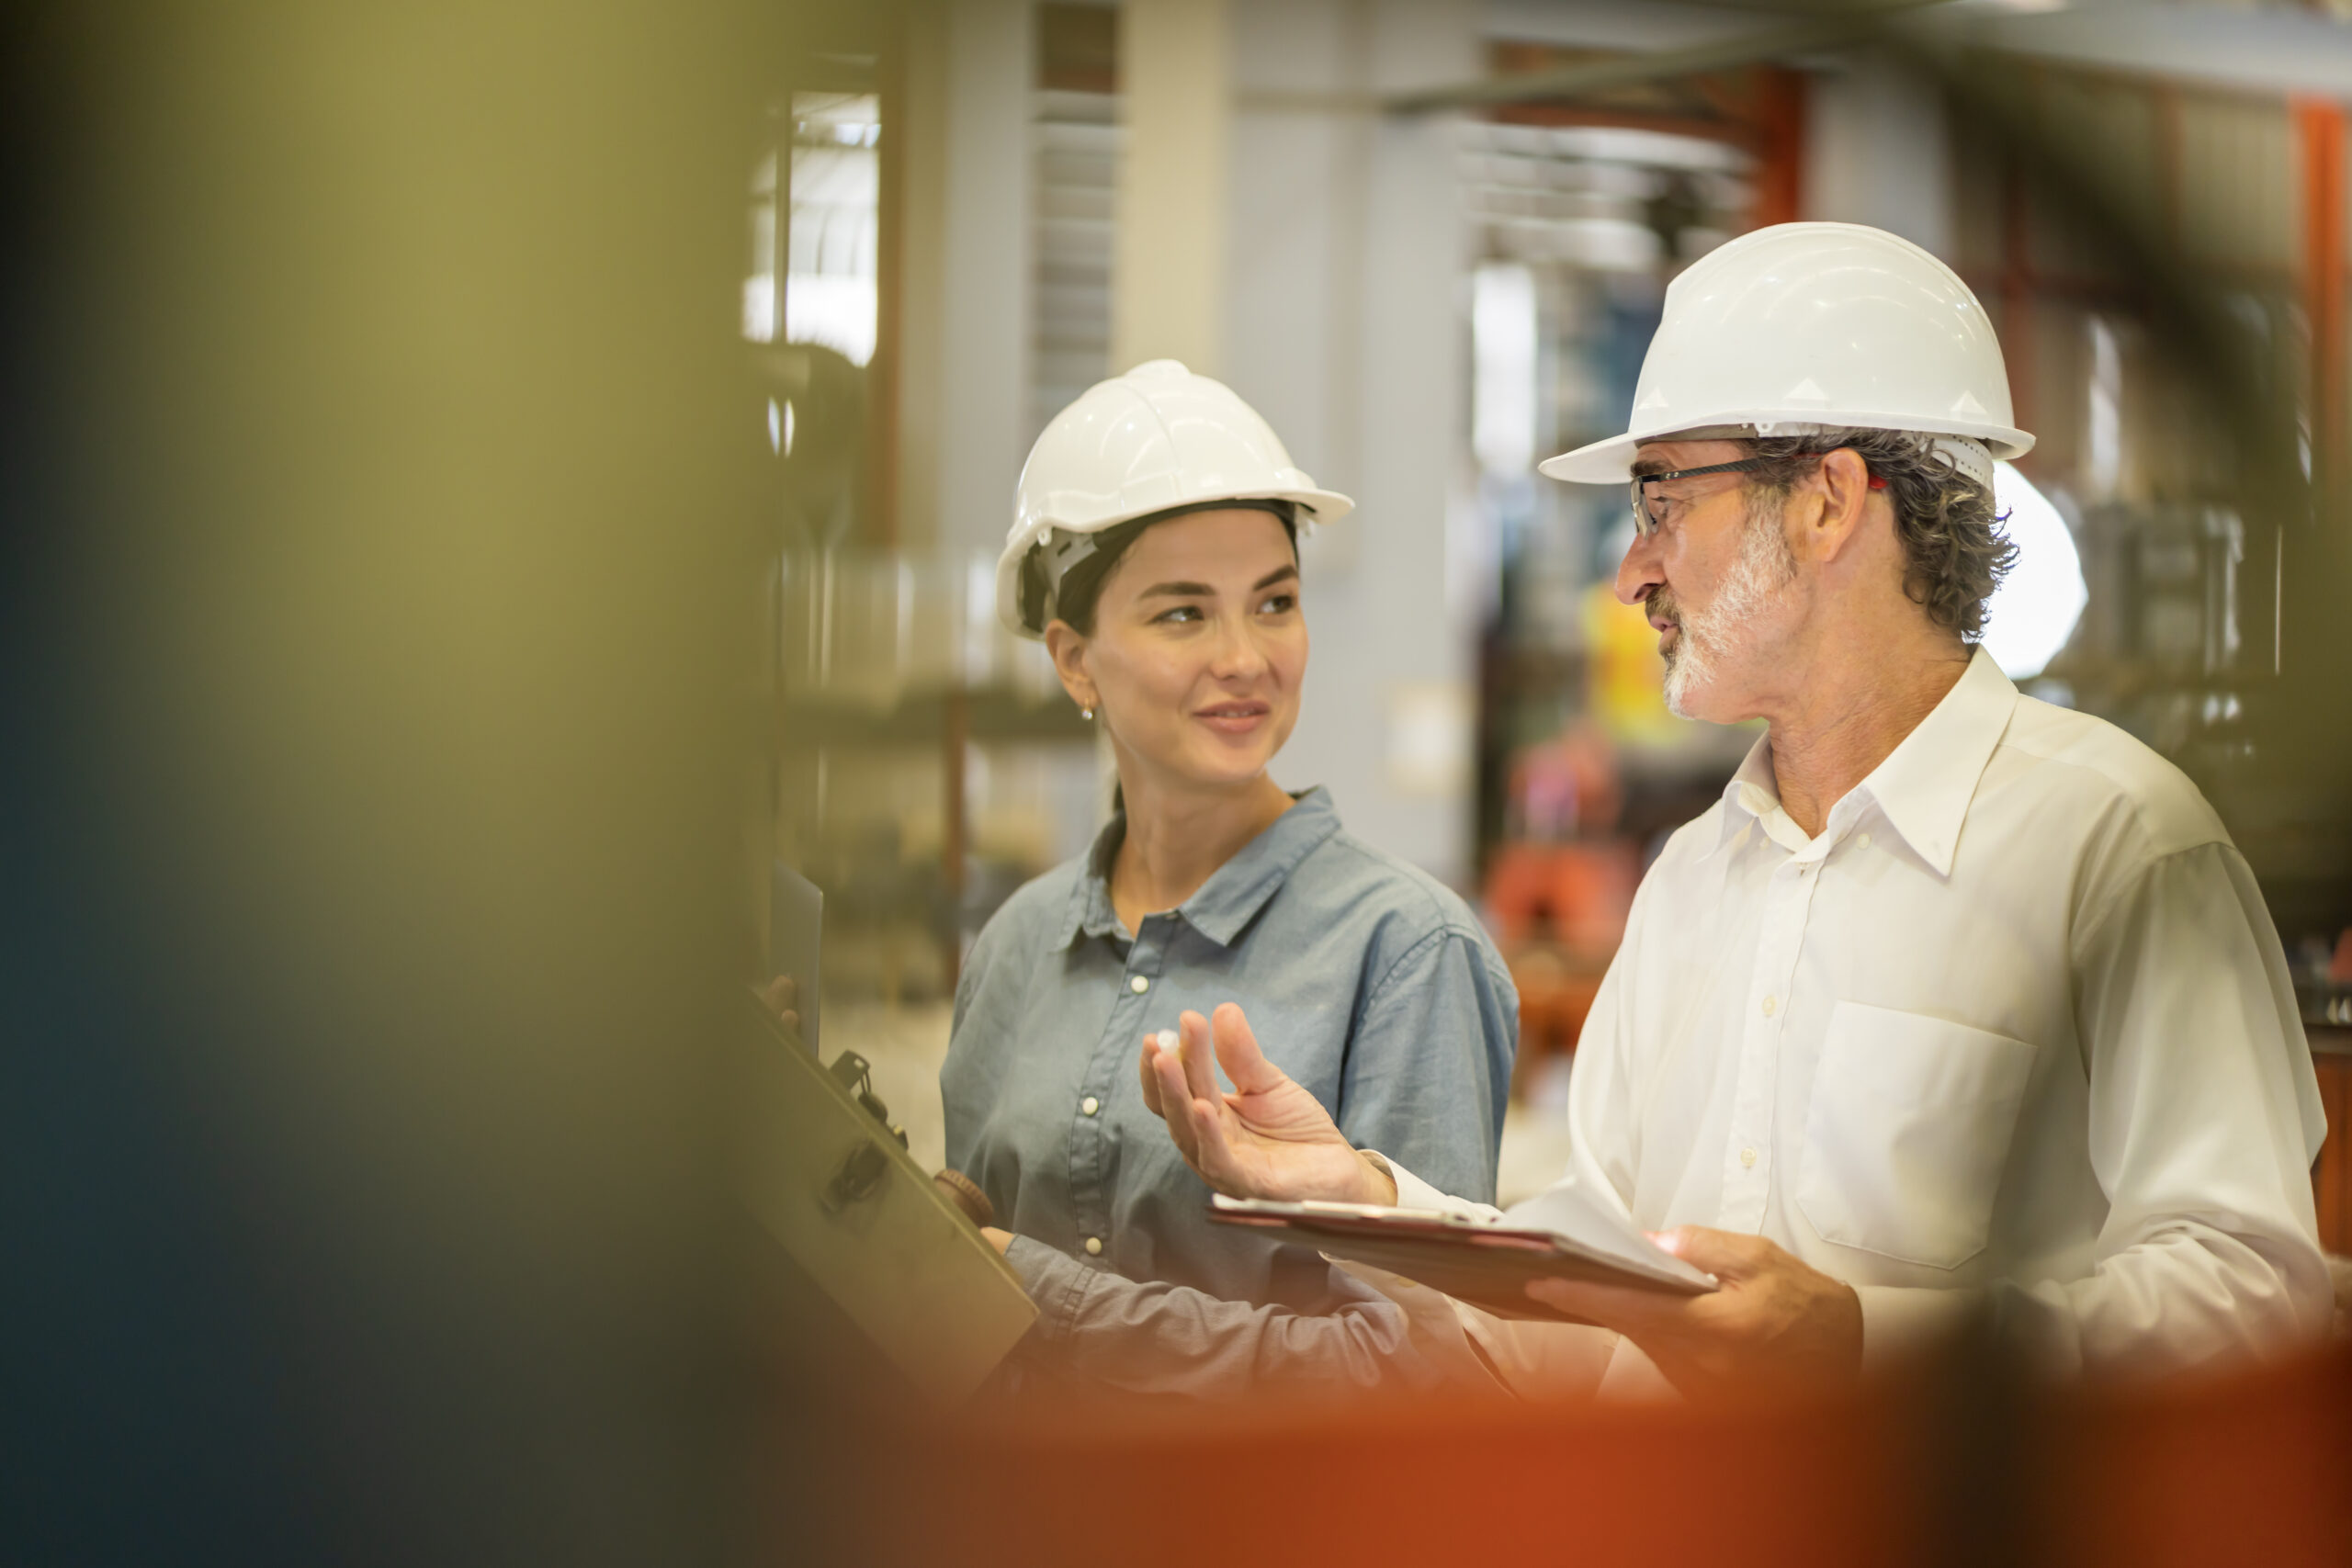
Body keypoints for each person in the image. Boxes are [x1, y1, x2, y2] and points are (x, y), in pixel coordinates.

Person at [1135, 224, 2332, 1396]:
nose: (1631, 569)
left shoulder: (2120, 847)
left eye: (1662, 501)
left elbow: (2255, 1296)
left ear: (1825, 501)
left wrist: (1864, 1338)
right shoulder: (1697, 875)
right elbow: (1596, 1293)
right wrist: (1366, 1199)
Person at [944, 359, 1518, 1397]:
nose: (1246, 657)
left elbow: (1419, 1376)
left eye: (1274, 602)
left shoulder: (1406, 951)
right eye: (1181, 614)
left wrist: (1029, 1297)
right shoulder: (1015, 949)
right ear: (1074, 661)